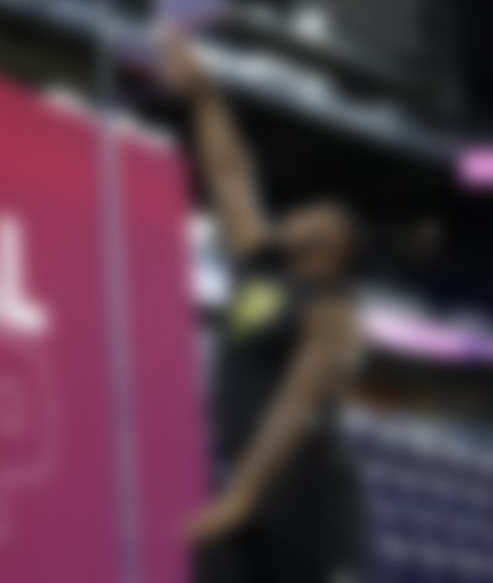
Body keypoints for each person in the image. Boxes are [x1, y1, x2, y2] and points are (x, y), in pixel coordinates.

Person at [159, 30, 370, 582]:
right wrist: (204, 95)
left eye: (311, 210)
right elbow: (230, 171)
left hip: (306, 495)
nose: (294, 212)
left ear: (337, 244)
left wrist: (245, 497)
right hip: (244, 486)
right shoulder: (260, 264)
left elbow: (299, 405)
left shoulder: (335, 310)